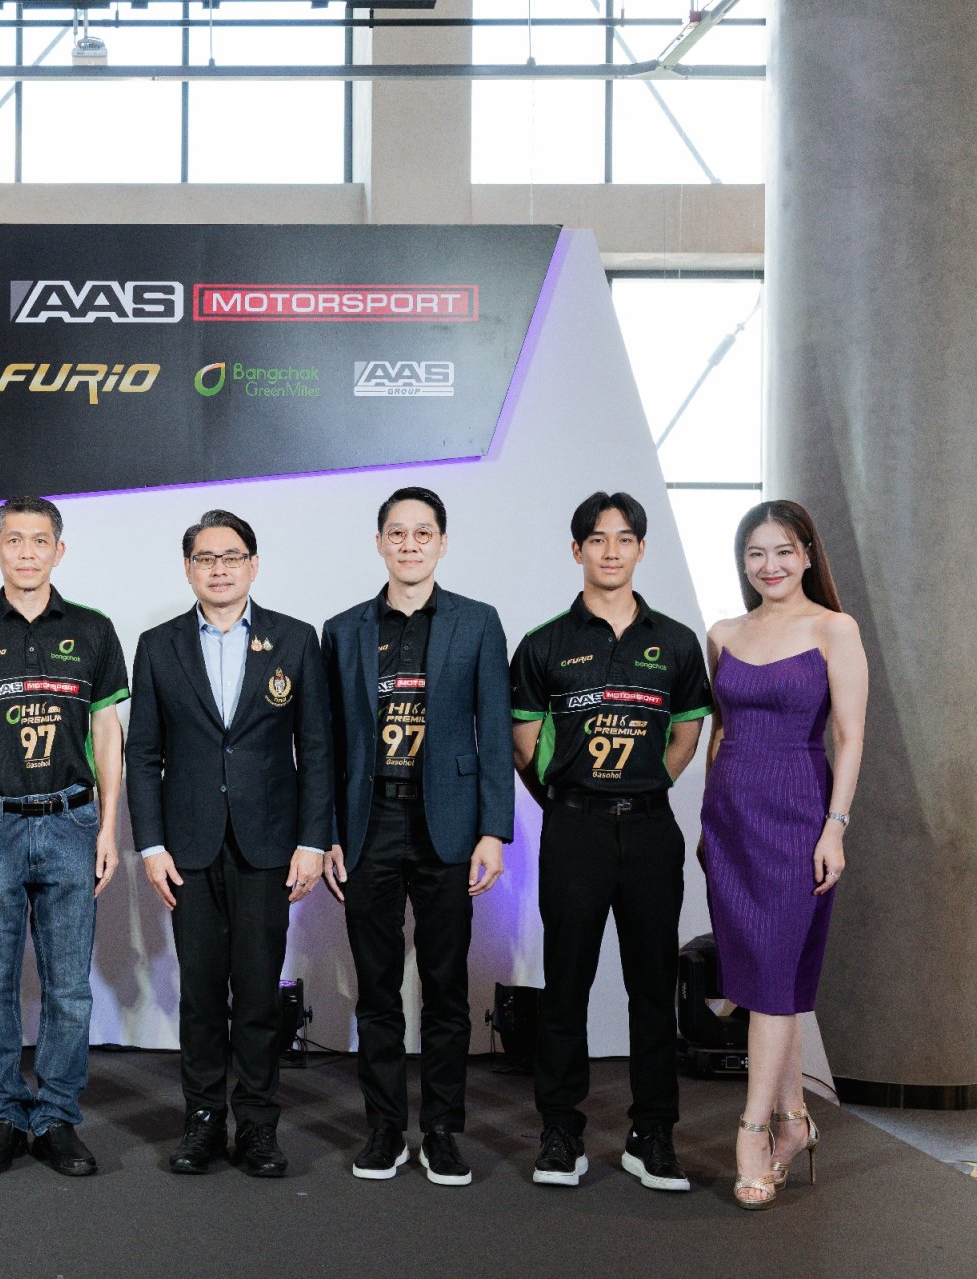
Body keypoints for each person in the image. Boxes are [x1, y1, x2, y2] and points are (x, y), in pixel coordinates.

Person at [509, 491, 711, 1191]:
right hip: (575, 830)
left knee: (652, 988)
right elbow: (524, 742)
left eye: (625, 538)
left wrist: (645, 787)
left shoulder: (676, 642)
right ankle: (560, 1131)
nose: (611, 550)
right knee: (565, 985)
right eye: (597, 539)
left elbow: (686, 734)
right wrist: (571, 799)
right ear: (577, 550)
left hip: (651, 830)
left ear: (641, 548)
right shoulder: (543, 643)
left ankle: (651, 1133)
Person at [125, 509, 331, 1178]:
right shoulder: (158, 645)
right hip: (187, 850)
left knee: (260, 995)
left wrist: (313, 840)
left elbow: (317, 748)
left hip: (269, 847)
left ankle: (260, 1127)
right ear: (188, 568)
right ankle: (204, 1121)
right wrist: (151, 845)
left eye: (232, 556)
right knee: (202, 995)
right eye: (206, 558)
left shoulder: (295, 639)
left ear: (253, 565)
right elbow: (143, 753)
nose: (219, 568)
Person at [0, 496, 129, 1176]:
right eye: (13, 540)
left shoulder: (94, 631)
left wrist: (108, 826)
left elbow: (108, 731)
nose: (27, 552)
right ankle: (4, 1116)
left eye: (40, 540)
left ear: (58, 551)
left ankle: (57, 1117)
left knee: (69, 986)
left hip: (71, 820)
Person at [321, 487, 512, 1185]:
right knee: (375, 990)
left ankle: (441, 1131)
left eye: (422, 532)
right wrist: (327, 833)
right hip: (369, 825)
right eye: (397, 533)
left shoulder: (477, 622)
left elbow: (495, 730)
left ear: (442, 542)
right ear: (379, 543)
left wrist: (494, 830)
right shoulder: (342, 630)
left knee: (445, 988)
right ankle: (383, 1129)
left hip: (449, 828)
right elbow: (327, 743)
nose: (409, 544)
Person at [701, 500, 865, 1210]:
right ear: (743, 562)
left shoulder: (834, 628)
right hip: (730, 819)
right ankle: (795, 1121)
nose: (769, 565)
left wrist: (835, 828)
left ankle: (753, 1132)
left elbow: (850, 736)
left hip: (799, 813)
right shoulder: (723, 633)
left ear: (807, 554)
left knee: (772, 977)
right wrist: (707, 822)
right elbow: (719, 731)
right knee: (767, 979)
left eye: (783, 551)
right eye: (755, 553)